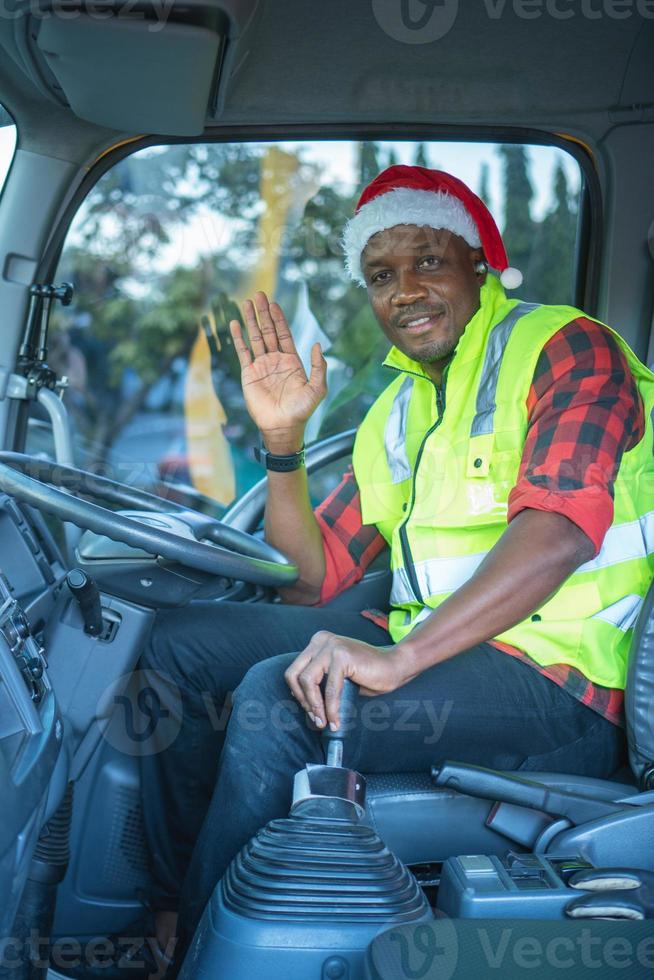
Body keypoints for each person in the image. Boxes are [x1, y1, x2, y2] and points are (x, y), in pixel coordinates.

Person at [100, 165, 654, 973]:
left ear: (479, 266)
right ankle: (170, 909)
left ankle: (202, 953)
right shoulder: (400, 406)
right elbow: (310, 580)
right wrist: (283, 441)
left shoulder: (564, 346)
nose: (405, 291)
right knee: (181, 646)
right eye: (381, 275)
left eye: (429, 261)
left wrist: (399, 658)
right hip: (442, 646)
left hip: (560, 684)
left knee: (278, 698)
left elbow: (560, 530)